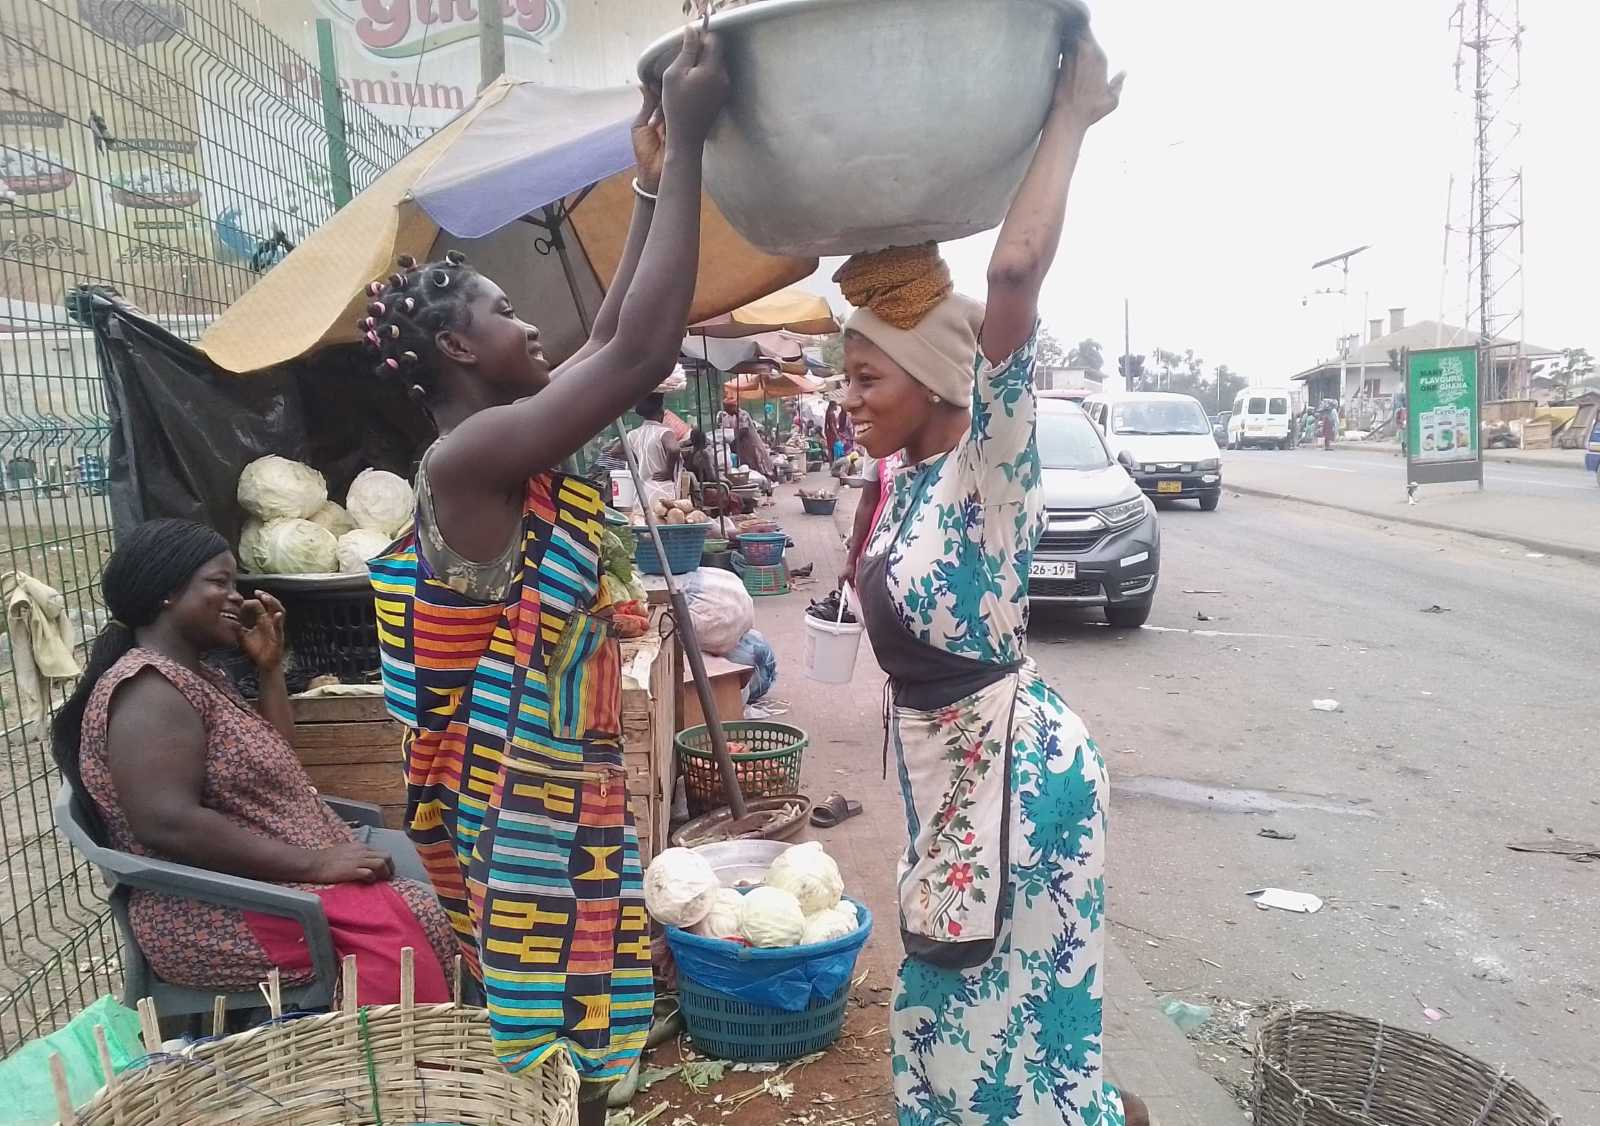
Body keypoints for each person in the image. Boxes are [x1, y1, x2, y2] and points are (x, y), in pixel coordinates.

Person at [359, 28, 728, 1119]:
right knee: (549, 1029)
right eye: (505, 311)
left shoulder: (505, 450)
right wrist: (693, 143)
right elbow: (638, 355)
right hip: (516, 806)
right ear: (458, 351)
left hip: (562, 784)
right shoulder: (466, 462)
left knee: (586, 1013)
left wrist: (651, 184)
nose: (531, 325)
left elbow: (611, 340)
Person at [838, 29, 1147, 1126]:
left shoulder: (988, 469)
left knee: (1014, 1051)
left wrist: (1069, 113)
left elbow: (1011, 274)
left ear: (932, 375)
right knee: (940, 1023)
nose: (849, 399)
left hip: (1023, 789)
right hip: (953, 790)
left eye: (865, 376)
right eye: (845, 377)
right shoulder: (904, 482)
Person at [50, 520, 455, 1005]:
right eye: (219, 583)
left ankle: (430, 1036)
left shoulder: (197, 674)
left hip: (248, 875)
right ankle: (401, 1049)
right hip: (205, 906)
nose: (236, 598)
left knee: (445, 889)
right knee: (413, 916)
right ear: (166, 593)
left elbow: (275, 755)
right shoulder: (150, 690)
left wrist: (269, 668)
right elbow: (166, 822)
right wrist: (314, 862)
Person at [625, 391, 682, 509]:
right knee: (664, 519)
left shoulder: (632, 434)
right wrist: (668, 471)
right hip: (663, 493)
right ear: (661, 411)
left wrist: (637, 459)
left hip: (641, 494)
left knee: (642, 519)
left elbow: (615, 451)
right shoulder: (664, 432)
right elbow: (674, 449)